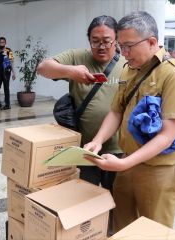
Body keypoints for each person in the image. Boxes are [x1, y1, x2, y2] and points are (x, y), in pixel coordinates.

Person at [84, 11, 175, 231]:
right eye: (121, 46)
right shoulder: (129, 69)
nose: (123, 54)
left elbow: (166, 135)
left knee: (153, 231)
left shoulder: (174, 75)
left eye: (129, 46)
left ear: (152, 41)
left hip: (161, 169)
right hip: (128, 162)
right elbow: (116, 111)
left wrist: (122, 164)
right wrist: (98, 140)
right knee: (123, 227)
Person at [37, 15, 126, 193]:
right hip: (84, 149)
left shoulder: (127, 65)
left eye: (107, 41)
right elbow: (42, 68)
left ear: (116, 40)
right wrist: (70, 71)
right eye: (95, 41)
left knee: (116, 202)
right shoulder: (77, 57)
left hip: (118, 149)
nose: (101, 47)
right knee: (84, 199)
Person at [0, 37, 16, 110]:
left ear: (5, 43)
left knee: (6, 88)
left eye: (3, 42)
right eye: (0, 42)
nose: (2, 43)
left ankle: (7, 105)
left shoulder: (9, 51)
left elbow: (12, 62)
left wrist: (14, 73)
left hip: (6, 72)